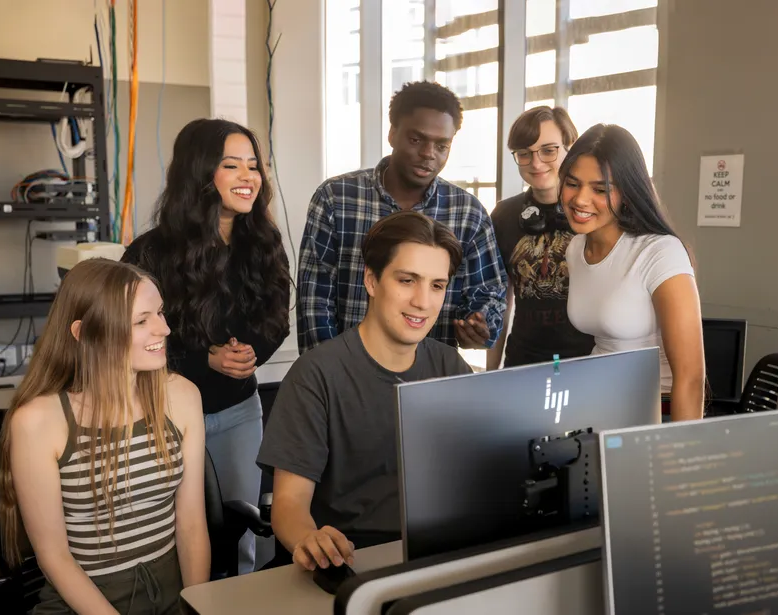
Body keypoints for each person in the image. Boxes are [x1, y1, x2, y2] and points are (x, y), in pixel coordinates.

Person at [258, 211, 473, 571]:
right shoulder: (316, 374)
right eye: (407, 280)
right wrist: (310, 540)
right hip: (350, 558)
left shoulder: (450, 367)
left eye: (437, 286)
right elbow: (289, 504)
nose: (423, 301)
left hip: (433, 553)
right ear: (371, 281)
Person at [121, 118, 291, 573]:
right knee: (169, 535)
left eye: (253, 165)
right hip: (163, 411)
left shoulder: (264, 243)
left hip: (239, 411)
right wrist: (205, 359)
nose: (248, 176)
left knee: (241, 534)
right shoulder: (150, 253)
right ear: (199, 174)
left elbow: (276, 319)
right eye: (231, 165)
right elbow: (129, 338)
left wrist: (250, 355)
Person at [0, 258, 209, 615]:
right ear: (84, 333)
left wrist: (196, 608)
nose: (164, 329)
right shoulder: (38, 421)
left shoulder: (182, 396)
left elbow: (191, 525)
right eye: (141, 321)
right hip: (85, 602)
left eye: (160, 313)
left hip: (171, 594)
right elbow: (54, 557)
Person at [296, 80, 507, 355]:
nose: (428, 154)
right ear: (392, 134)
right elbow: (315, 299)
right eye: (416, 140)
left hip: (432, 373)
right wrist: (329, 370)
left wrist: (478, 326)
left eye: (442, 145)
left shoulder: (469, 213)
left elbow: (488, 293)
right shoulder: (336, 198)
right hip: (347, 368)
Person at [559, 124, 705, 421]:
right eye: (572, 184)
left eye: (600, 189)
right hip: (597, 404)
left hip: (656, 411)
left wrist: (680, 446)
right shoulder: (575, 248)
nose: (580, 200)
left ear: (627, 193)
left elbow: (691, 378)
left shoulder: (660, 252)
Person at [487, 106, 594, 370]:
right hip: (523, 362)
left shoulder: (593, 211)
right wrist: (490, 373)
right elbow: (501, 302)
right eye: (524, 153)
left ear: (570, 147)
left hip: (589, 361)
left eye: (548, 150)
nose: (536, 163)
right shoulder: (503, 215)